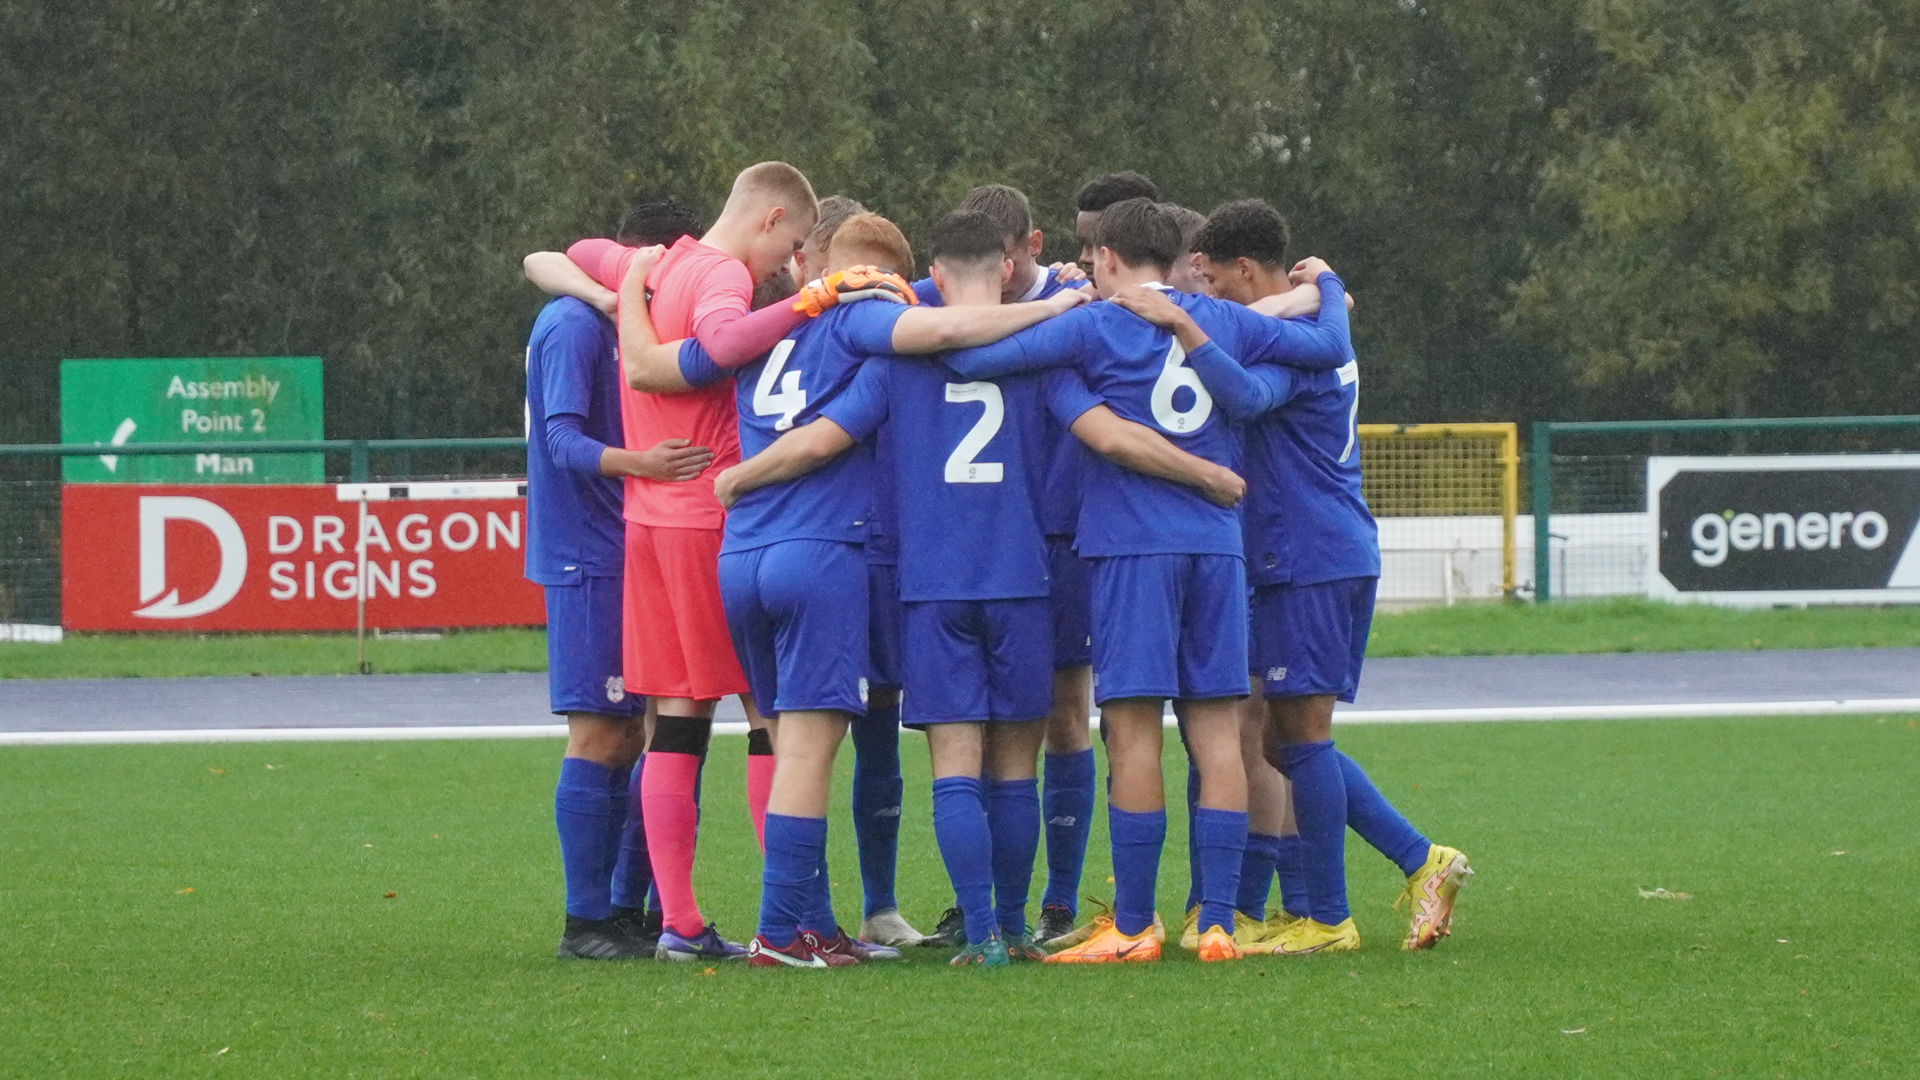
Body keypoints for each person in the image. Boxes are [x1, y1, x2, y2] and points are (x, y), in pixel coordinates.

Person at [616, 211, 1091, 968]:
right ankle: (819, 931)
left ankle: (811, 924)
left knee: (786, 741)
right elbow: (896, 389)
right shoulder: (886, 337)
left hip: (749, 556)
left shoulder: (758, 334)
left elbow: (651, 367)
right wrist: (1066, 299)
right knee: (889, 757)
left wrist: (633, 287)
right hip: (888, 561)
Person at [938, 197, 1355, 963]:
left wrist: (1052, 310)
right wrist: (1325, 285)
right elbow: (1326, 345)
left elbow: (969, 357)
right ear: (1177, 257)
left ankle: (1134, 926)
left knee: (1130, 731)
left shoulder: (1095, 322)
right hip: (1219, 548)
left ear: (1104, 257)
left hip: (1132, 548)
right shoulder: (1218, 320)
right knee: (1217, 732)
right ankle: (1220, 921)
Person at [1114, 197, 1473, 956]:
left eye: (1214, 282)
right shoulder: (1315, 324)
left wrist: (1184, 326)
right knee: (1284, 738)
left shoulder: (1291, 340)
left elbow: (1244, 396)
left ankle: (1348, 905)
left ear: (1245, 269)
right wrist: (1330, 290)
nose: (1209, 298)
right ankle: (1327, 894)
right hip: (1315, 549)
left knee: (1300, 739)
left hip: (1309, 553)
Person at [528, 162, 821, 962]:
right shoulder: (716, 276)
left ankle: (668, 920)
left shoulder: (659, 268)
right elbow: (711, 349)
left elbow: (569, 252)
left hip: (646, 529)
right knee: (765, 720)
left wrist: (626, 294)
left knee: (672, 725)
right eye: (790, 246)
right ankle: (783, 920)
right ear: (767, 221)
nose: (784, 267)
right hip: (682, 522)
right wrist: (810, 302)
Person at [894, 186, 1105, 950]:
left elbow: (827, 435)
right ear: (1011, 263)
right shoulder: (1046, 349)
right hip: (1023, 577)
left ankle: (980, 934)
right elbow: (1097, 427)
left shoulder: (897, 343)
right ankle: (1019, 928)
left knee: (955, 765)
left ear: (935, 273)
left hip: (933, 581)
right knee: (1019, 763)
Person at [523, 202, 712, 961]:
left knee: (645, 730)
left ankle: (628, 911)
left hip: (626, 544)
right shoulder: (575, 325)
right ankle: (585, 921)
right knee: (600, 732)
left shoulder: (619, 317)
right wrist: (646, 465)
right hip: (587, 552)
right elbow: (561, 439)